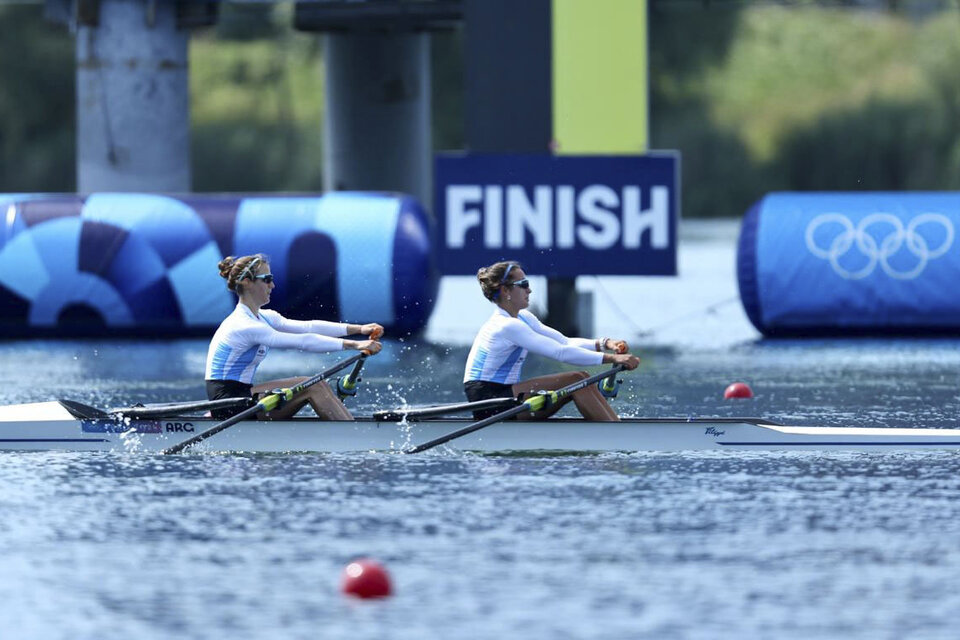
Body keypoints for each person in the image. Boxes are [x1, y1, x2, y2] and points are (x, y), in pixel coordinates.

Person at [205, 254, 383, 421]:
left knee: (312, 384)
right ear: (246, 282)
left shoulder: (266, 317)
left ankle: (349, 428)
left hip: (241, 396)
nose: (272, 286)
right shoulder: (244, 325)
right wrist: (355, 345)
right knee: (313, 385)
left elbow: (308, 327)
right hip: (228, 402)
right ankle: (354, 435)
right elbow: (303, 341)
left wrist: (360, 328)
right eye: (267, 280)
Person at [463, 261, 640, 421]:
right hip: (487, 400)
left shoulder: (523, 317)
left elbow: (564, 342)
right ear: (505, 291)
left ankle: (614, 425)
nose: (529, 290)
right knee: (576, 379)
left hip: (505, 393)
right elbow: (560, 353)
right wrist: (613, 359)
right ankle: (614, 434)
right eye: (523, 285)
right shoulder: (505, 326)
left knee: (583, 378)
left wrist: (604, 343)